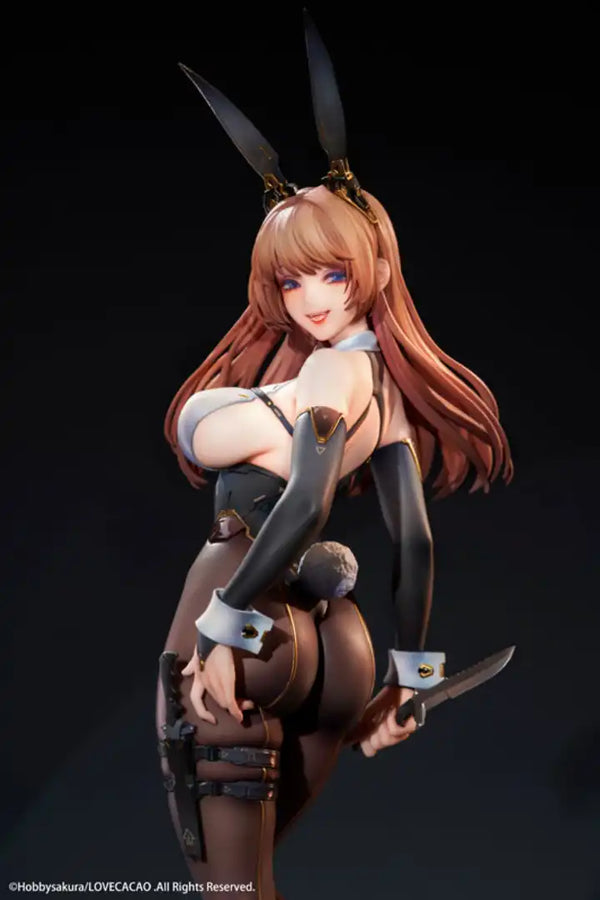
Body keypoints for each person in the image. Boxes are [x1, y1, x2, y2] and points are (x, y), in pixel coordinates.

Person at [156, 16, 512, 900]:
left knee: (229, 890)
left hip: (248, 604)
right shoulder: (387, 392)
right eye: (290, 280)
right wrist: (409, 681)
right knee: (253, 882)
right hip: (340, 649)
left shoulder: (326, 372)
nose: (311, 299)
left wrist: (222, 627)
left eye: (332, 275)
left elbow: (310, 502)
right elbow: (415, 544)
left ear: (372, 267)